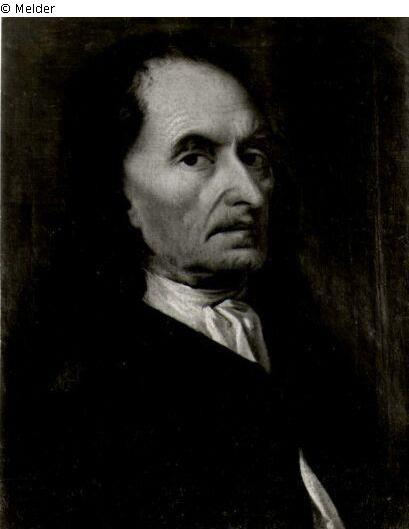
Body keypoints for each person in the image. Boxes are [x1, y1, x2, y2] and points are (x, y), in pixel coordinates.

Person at [5, 31, 371, 529]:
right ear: (119, 193)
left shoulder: (312, 356)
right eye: (195, 157)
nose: (250, 194)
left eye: (254, 156)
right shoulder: (89, 394)